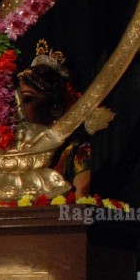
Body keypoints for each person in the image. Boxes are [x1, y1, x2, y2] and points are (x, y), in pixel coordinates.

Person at [17, 48, 92, 196]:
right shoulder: (21, 152)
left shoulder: (78, 153)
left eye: (28, 99)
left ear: (55, 106)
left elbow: (80, 209)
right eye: (19, 101)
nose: (21, 109)